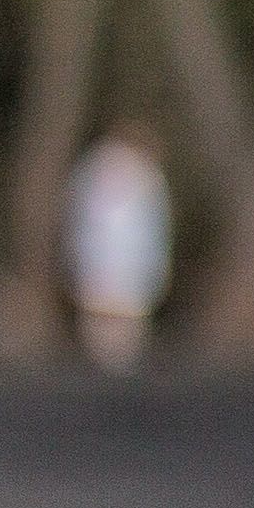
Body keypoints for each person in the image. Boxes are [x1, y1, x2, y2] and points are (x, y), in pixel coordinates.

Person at [64, 125, 172, 372]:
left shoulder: (145, 177)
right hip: (110, 266)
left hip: (122, 268)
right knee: (107, 316)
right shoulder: (100, 172)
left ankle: (115, 362)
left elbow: (152, 230)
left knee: (119, 318)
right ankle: (106, 362)